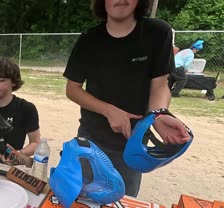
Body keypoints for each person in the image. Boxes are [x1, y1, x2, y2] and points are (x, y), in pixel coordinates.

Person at [64, 0, 191, 197]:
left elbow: (159, 85)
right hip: (91, 139)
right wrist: (109, 111)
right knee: (83, 203)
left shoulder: (157, 32)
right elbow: (72, 89)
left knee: (121, 207)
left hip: (132, 145)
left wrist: (159, 115)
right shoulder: (89, 39)